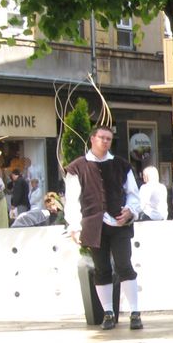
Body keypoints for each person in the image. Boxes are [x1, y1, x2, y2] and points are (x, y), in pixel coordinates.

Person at [64, 125, 144, 331]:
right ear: (92, 139)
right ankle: (108, 312)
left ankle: (135, 312)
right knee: (101, 269)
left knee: (124, 264)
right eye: (102, 137)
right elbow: (72, 199)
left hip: (119, 222)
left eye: (109, 138)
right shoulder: (77, 167)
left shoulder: (121, 165)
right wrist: (74, 225)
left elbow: (134, 195)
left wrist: (130, 212)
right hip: (93, 223)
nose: (106, 141)